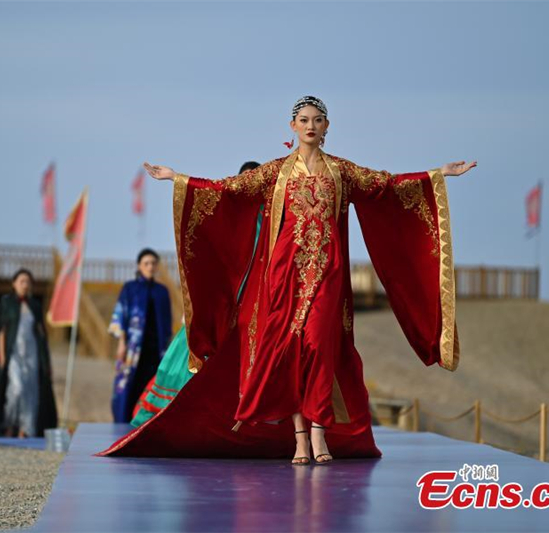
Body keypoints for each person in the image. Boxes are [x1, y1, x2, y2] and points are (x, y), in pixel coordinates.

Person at [99, 95, 476, 464]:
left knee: (317, 345)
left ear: (327, 127)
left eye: (317, 120)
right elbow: (229, 188)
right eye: (304, 120)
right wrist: (178, 179)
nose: (310, 126)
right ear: (293, 127)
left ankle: (319, 434)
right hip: (285, 276)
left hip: (327, 273)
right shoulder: (277, 171)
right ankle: (301, 439)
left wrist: (437, 174)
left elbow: (387, 185)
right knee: (291, 350)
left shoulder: (341, 172)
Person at [130, 162, 262, 428]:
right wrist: (174, 177)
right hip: (224, 301)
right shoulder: (228, 215)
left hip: (256, 302)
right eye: (243, 181)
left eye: (253, 181)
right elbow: (205, 192)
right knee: (192, 355)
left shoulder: (270, 219)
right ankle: (182, 416)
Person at [0, 268, 58, 437]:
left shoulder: (35, 306)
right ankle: (9, 426)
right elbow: (2, 332)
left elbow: (41, 334)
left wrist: (46, 361)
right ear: (14, 283)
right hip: (13, 354)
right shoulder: (7, 304)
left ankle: (25, 430)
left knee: (31, 392)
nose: (25, 285)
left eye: (28, 282)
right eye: (21, 281)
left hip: (32, 355)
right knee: (16, 389)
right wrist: (3, 358)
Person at [109, 248, 173, 423]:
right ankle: (122, 423)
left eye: (153, 263)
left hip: (156, 350)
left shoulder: (162, 292)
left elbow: (167, 323)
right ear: (139, 266)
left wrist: (168, 348)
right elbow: (120, 315)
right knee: (128, 387)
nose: (150, 267)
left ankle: (147, 424)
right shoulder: (130, 288)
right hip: (133, 349)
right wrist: (122, 343)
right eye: (146, 263)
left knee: (152, 387)